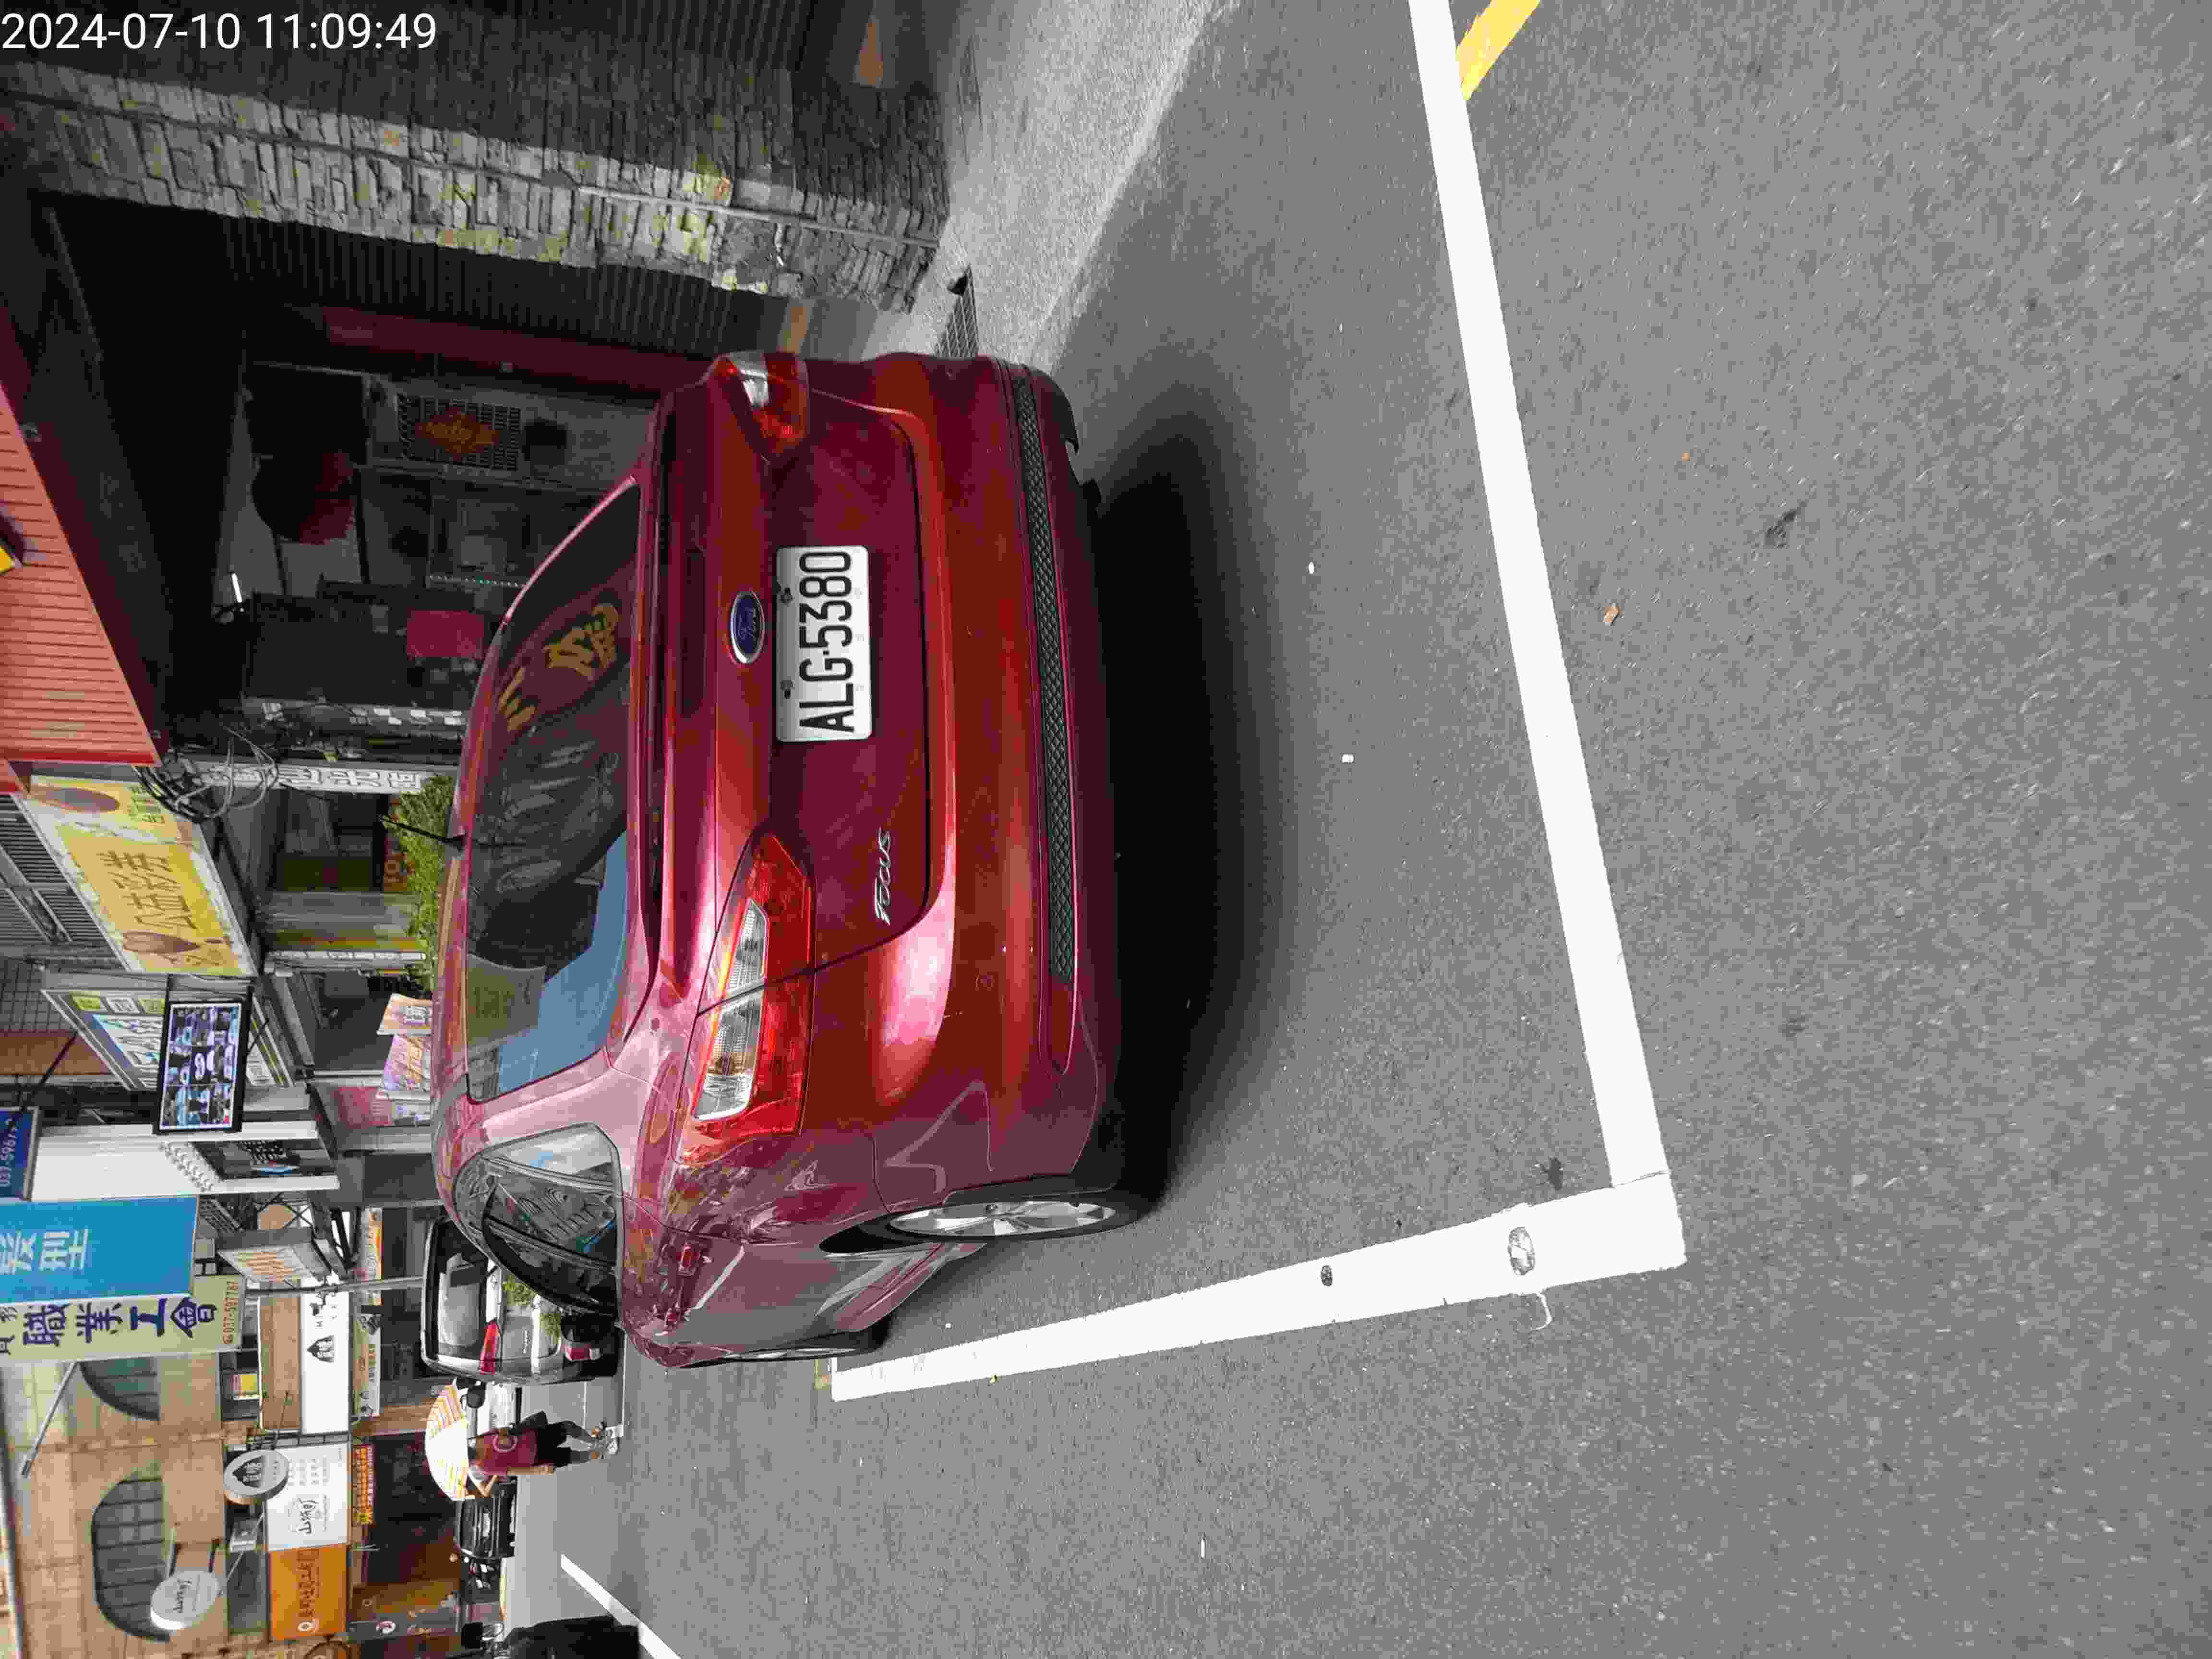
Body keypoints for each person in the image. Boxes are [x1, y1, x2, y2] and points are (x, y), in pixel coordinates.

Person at [465, 1412, 616, 1492]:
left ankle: (595, 1442)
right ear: (469, 1463)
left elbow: (501, 1431)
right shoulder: (485, 1467)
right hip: (535, 1458)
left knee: (567, 1427)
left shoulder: (480, 1440)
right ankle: (605, 1450)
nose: (468, 1454)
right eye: (466, 1459)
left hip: (534, 1437)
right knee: (572, 1456)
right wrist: (541, 1470)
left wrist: (510, 1431)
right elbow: (514, 1471)